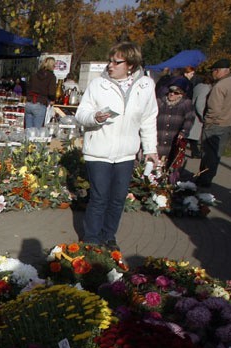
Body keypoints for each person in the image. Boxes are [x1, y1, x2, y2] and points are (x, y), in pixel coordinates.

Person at [75, 41, 158, 251]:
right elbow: (80, 114)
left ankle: (109, 236)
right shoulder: (97, 84)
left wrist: (150, 150)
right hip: (98, 152)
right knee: (100, 197)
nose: (110, 65)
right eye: (110, 61)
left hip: (126, 154)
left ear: (130, 64)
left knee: (118, 199)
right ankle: (91, 239)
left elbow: (149, 119)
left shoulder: (146, 86)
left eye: (116, 62)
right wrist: (96, 117)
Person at [197, 58, 231, 188]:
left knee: (208, 155)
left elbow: (214, 109)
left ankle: (203, 180)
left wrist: (208, 122)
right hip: (228, 123)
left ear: (218, 71)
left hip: (215, 124)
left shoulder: (220, 86)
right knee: (217, 154)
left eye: (213, 71)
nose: (212, 74)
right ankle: (209, 177)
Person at [156, 77, 195, 173]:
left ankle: (166, 179)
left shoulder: (186, 104)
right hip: (159, 135)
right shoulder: (160, 102)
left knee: (170, 160)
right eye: (171, 91)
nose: (172, 94)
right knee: (156, 159)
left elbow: (189, 119)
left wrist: (184, 131)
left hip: (174, 137)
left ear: (181, 94)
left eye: (176, 93)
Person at [25, 57, 57, 128]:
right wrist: (52, 99)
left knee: (28, 131)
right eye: (54, 65)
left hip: (29, 102)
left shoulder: (34, 75)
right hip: (40, 103)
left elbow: (27, 88)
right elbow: (51, 92)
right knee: (37, 131)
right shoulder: (51, 77)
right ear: (52, 66)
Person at [187, 74, 211, 158]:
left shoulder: (198, 86)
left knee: (191, 135)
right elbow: (199, 104)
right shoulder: (206, 89)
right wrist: (203, 116)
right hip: (197, 115)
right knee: (194, 136)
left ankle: (195, 152)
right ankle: (196, 152)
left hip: (191, 112)